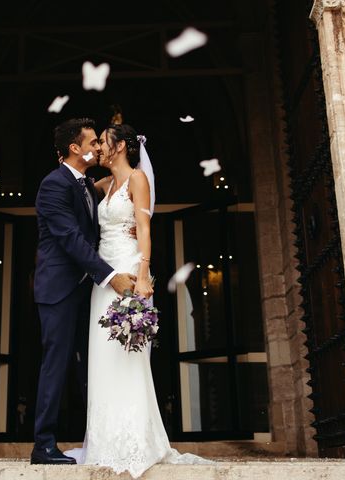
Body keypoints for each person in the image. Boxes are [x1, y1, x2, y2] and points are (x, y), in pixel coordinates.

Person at [67, 124, 214, 477]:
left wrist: (144, 274)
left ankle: (134, 440)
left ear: (119, 147)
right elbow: (77, 191)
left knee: (129, 358)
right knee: (102, 358)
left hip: (130, 273)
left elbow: (145, 229)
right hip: (103, 278)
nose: (99, 147)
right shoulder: (102, 186)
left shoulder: (137, 180)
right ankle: (103, 441)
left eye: (103, 141)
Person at [31, 118, 136, 465]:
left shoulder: (85, 184)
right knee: (55, 365)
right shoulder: (53, 184)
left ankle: (102, 439)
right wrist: (111, 276)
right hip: (59, 289)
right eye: (93, 142)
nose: (98, 147)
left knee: (90, 368)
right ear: (75, 148)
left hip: (84, 291)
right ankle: (43, 445)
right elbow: (71, 239)